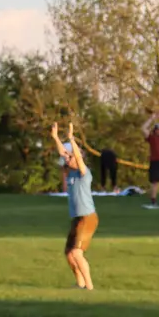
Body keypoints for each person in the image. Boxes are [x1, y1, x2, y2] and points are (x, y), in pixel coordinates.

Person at [50, 122, 97, 290]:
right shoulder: (70, 173)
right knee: (69, 254)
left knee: (77, 253)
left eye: (69, 157)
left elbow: (76, 157)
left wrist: (71, 138)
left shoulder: (84, 173)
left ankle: (89, 287)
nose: (66, 158)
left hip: (87, 218)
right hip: (77, 218)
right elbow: (64, 152)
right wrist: (56, 138)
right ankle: (80, 283)